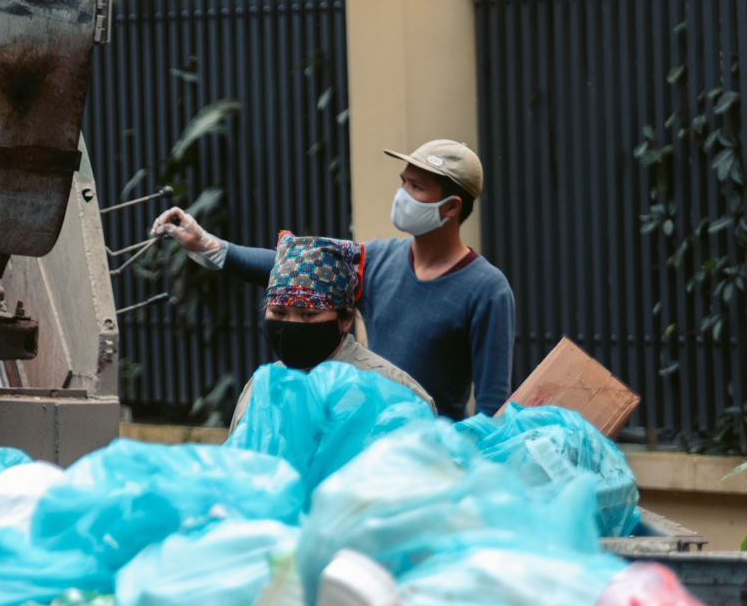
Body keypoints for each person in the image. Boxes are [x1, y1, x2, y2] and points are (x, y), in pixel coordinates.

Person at [155, 138, 515, 420]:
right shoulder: (378, 258)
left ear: (451, 207)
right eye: (403, 183)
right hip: (371, 435)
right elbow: (299, 268)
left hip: (434, 453)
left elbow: (492, 408)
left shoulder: (487, 289)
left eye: (417, 188)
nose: (402, 195)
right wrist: (211, 247)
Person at [224, 232, 434, 426]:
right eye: (278, 313)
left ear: (346, 320)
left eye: (308, 315)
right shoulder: (262, 390)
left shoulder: (391, 391)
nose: (291, 325)